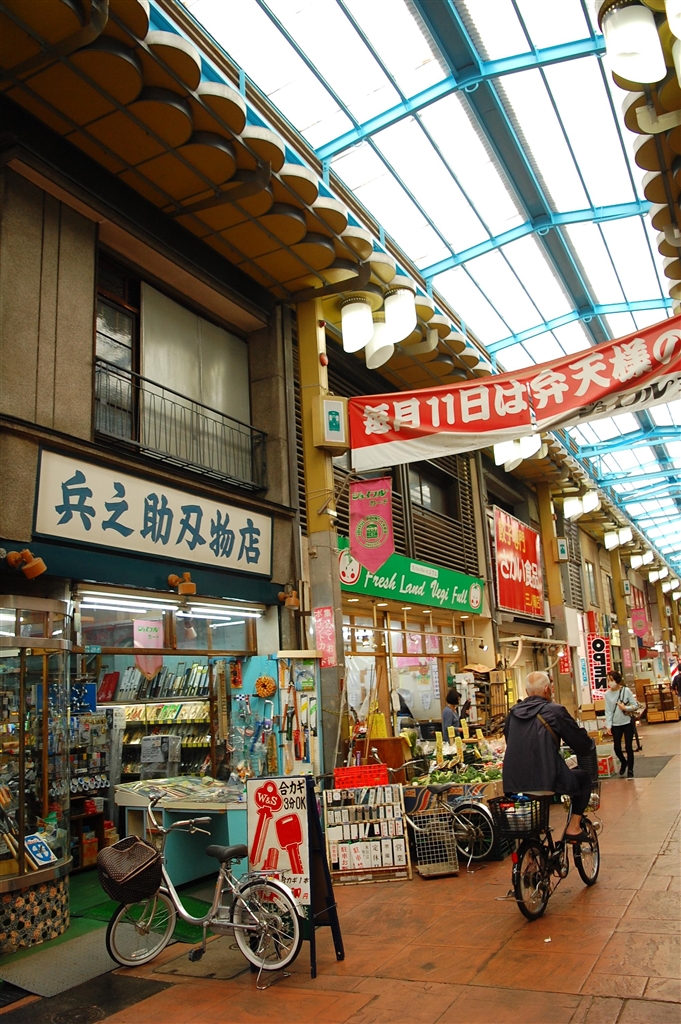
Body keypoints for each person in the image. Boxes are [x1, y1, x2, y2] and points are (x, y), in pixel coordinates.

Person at [503, 671, 595, 841]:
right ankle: (574, 828)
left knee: (534, 817)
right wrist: (588, 745)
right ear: (547, 689)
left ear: (527, 691)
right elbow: (580, 743)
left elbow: (510, 741)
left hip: (513, 782)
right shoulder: (555, 711)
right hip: (546, 778)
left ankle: (533, 850)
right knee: (584, 780)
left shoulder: (512, 714)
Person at [603, 670, 636, 778]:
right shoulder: (607, 694)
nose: (610, 683)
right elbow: (608, 710)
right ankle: (623, 762)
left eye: (611, 680)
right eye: (608, 680)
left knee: (628, 747)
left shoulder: (626, 690)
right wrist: (608, 725)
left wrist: (625, 708)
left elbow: (635, 705)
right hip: (615, 724)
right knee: (617, 748)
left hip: (627, 722)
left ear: (617, 680)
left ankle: (630, 769)